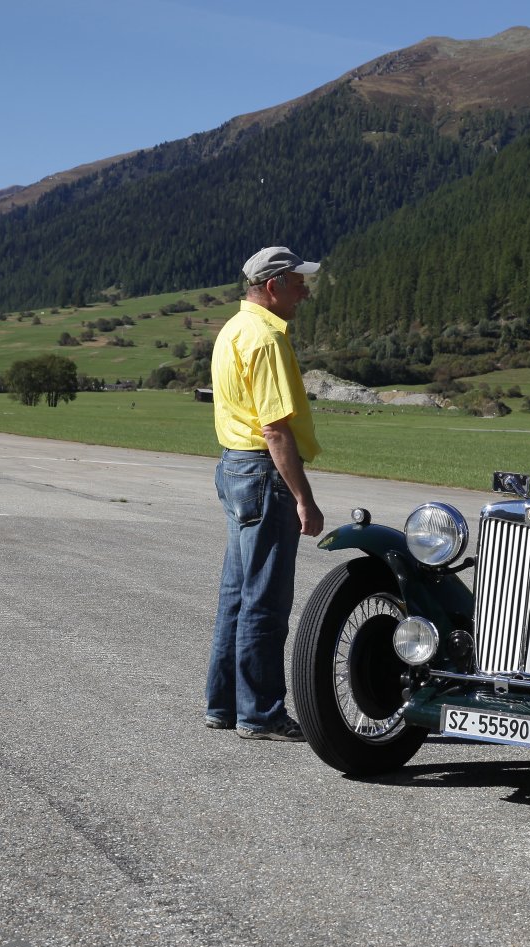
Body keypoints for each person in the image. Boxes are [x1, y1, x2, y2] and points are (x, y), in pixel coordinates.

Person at [205, 246, 325, 741]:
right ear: (273, 286)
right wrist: (303, 497)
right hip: (263, 472)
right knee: (267, 602)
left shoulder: (234, 328)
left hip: (235, 466)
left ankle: (224, 705)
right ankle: (261, 714)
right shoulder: (267, 338)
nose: (305, 292)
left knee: (237, 595)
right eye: (298, 282)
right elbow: (275, 429)